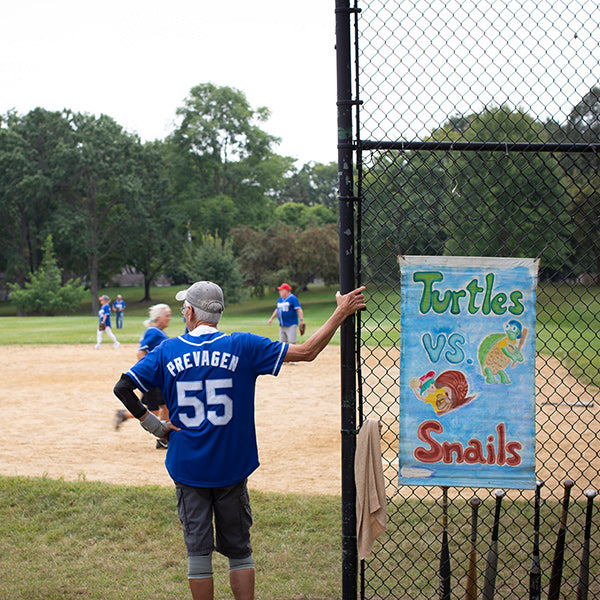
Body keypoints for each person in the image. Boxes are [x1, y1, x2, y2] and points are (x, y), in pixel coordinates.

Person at [113, 280, 366, 600]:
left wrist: (156, 426)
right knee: (240, 553)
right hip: (232, 466)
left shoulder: (167, 350)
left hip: (188, 466)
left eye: (184, 308)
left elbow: (123, 387)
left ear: (189, 312)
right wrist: (340, 311)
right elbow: (308, 351)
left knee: (199, 556)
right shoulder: (244, 346)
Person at [114, 303, 172, 447]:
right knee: (154, 409)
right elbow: (141, 352)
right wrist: (147, 373)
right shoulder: (153, 332)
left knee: (164, 407)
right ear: (158, 318)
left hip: (158, 378)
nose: (169, 319)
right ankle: (124, 415)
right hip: (153, 378)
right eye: (167, 316)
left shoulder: (157, 332)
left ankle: (162, 439)